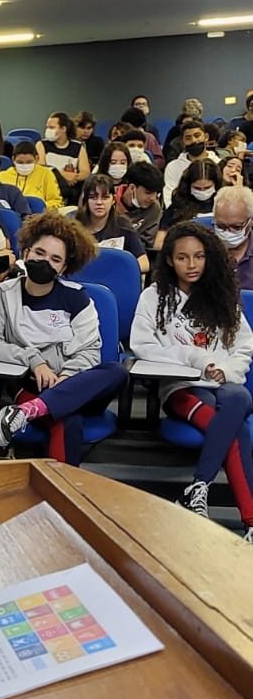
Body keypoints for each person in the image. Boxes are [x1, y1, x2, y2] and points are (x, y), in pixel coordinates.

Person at [129, 221, 253, 542]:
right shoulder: (154, 297)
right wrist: (193, 358)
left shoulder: (221, 296)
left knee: (240, 397)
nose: (192, 264)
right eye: (183, 257)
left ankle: (197, 488)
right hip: (180, 386)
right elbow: (142, 345)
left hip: (222, 382)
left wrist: (227, 370)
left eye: (199, 256)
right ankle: (251, 520)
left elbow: (244, 345)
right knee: (234, 431)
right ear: (170, 260)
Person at [0, 212, 127, 465]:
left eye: (55, 259)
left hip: (75, 385)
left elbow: (89, 352)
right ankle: (63, 486)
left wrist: (67, 377)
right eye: (40, 253)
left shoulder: (77, 298)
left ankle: (26, 413)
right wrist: (34, 360)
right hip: (29, 385)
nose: (45, 262)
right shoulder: (4, 294)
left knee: (117, 371)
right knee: (68, 418)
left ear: (64, 267)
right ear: (26, 252)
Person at [75, 173, 148, 273]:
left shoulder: (123, 225)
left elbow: (144, 263)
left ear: (113, 199)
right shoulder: (74, 226)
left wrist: (120, 270)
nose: (99, 202)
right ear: (86, 200)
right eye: (93, 197)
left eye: (105, 197)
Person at [154, 159, 222, 250]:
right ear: (188, 185)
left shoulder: (225, 204)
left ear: (216, 184)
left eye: (207, 187)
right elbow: (158, 243)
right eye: (197, 188)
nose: (202, 192)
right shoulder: (176, 208)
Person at [36, 111, 90, 204]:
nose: (48, 130)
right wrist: (62, 175)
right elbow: (40, 167)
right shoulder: (41, 144)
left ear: (63, 129)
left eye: (52, 127)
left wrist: (73, 177)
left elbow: (85, 172)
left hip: (71, 190)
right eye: (47, 127)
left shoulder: (78, 147)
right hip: (48, 187)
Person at [163, 118, 218, 206]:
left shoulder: (218, 163)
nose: (194, 141)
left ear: (206, 137)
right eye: (188, 138)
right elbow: (169, 196)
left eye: (197, 136)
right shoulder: (173, 167)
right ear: (182, 142)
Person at [0, 140, 63, 208]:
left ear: (36, 159)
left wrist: (40, 206)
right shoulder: (2, 177)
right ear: (13, 159)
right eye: (20, 162)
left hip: (40, 212)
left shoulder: (46, 173)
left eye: (29, 162)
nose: (24, 165)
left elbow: (56, 201)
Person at [213, 184, 253, 289]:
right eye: (221, 226)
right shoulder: (202, 249)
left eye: (236, 227)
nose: (227, 232)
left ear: (250, 221)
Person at [116, 162, 165, 249]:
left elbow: (147, 243)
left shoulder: (154, 208)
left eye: (156, 193)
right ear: (132, 188)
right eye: (148, 193)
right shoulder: (109, 202)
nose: (153, 198)